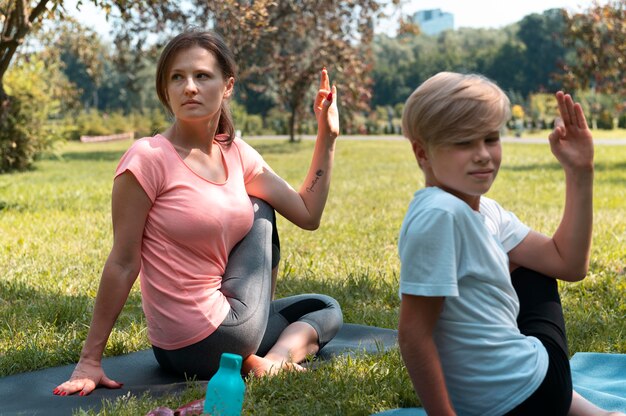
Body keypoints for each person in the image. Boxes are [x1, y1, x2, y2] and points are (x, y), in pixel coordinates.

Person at [54, 28, 343, 396]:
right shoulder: (148, 158)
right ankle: (263, 355)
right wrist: (89, 360)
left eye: (202, 76)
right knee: (260, 208)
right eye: (177, 77)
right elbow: (123, 262)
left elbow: (307, 213)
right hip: (213, 337)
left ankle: (267, 361)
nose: (189, 87)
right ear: (166, 90)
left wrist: (327, 137)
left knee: (323, 307)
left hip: (183, 348)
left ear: (227, 86)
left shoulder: (235, 153)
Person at [397, 72, 624, 415]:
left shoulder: (479, 210)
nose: (483, 155)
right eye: (463, 142)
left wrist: (580, 170)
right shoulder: (441, 214)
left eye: (490, 138)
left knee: (529, 260)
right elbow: (414, 334)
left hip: (517, 398)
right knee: (528, 265)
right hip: (534, 395)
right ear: (421, 153)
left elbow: (568, 264)